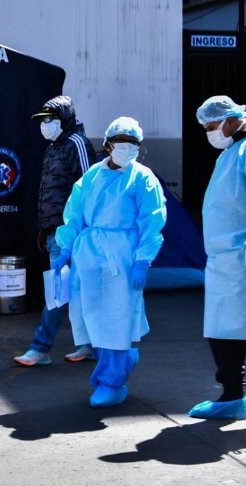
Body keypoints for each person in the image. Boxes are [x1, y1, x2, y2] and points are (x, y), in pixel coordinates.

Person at [54, 117, 167, 407]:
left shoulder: (142, 178)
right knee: (92, 318)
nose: (127, 148)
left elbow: (152, 221)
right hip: (88, 257)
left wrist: (143, 260)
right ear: (107, 145)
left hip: (123, 258)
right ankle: (118, 363)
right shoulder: (91, 177)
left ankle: (111, 382)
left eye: (133, 144)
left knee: (117, 319)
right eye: (121, 142)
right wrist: (65, 249)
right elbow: (74, 215)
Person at [14, 96, 96, 367]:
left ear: (64, 119)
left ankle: (41, 347)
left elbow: (89, 190)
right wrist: (44, 229)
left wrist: (79, 231)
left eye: (50, 119)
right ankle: (88, 345)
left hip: (70, 231)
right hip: (54, 231)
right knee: (74, 289)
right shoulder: (53, 147)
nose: (45, 125)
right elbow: (49, 193)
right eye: (43, 120)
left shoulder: (76, 144)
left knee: (58, 289)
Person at [188, 96, 246, 419]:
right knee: (224, 331)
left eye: (212, 127)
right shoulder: (230, 154)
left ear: (231, 119)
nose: (211, 133)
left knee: (231, 330)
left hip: (240, 259)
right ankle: (231, 397)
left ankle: (232, 396)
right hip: (226, 261)